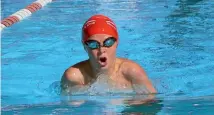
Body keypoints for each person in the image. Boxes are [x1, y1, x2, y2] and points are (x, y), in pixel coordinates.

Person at [61, 14, 156, 95]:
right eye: (93, 44)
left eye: (108, 42)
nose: (102, 50)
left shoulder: (132, 73)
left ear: (117, 42)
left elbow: (152, 104)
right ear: (84, 46)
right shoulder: (74, 77)